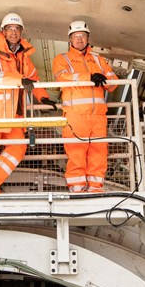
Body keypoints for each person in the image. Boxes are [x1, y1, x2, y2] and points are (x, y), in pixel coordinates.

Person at [0, 13, 53, 193]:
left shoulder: (23, 56)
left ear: (21, 32)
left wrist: (43, 97)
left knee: (19, 146)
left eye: (17, 29)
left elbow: (33, 79)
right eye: (10, 29)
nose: (13, 32)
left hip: (14, 114)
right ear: (3, 31)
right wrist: (20, 79)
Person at [52, 20, 115, 193]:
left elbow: (113, 83)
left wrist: (104, 79)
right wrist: (89, 76)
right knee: (76, 153)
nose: (79, 40)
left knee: (99, 153)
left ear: (88, 39)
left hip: (98, 116)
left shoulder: (98, 60)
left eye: (82, 36)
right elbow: (62, 77)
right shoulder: (62, 59)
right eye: (75, 36)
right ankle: (77, 189)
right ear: (70, 39)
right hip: (75, 115)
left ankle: (95, 188)